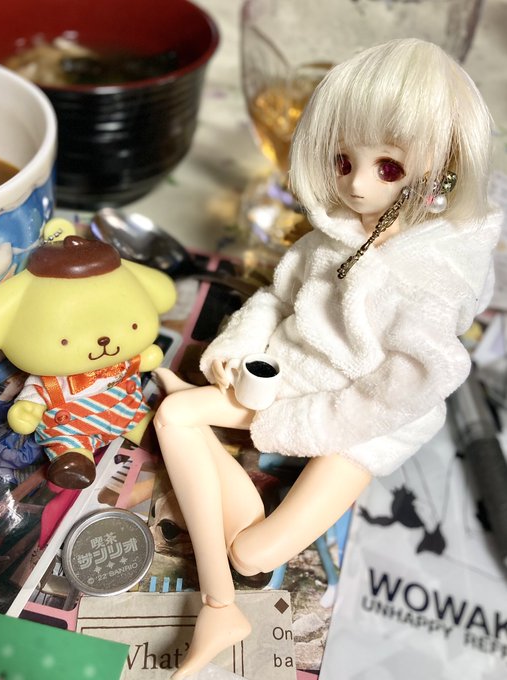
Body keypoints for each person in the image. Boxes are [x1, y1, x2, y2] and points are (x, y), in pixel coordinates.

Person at [153, 38, 502, 678]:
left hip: (363, 426)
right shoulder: (338, 229)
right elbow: (277, 296)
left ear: (444, 165)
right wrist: (238, 345)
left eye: (388, 168)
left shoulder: (431, 279)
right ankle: (219, 608)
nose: (356, 184)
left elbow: (400, 392)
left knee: (253, 553)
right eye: (344, 160)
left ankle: (222, 499)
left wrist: (288, 425)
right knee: (174, 416)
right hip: (290, 376)